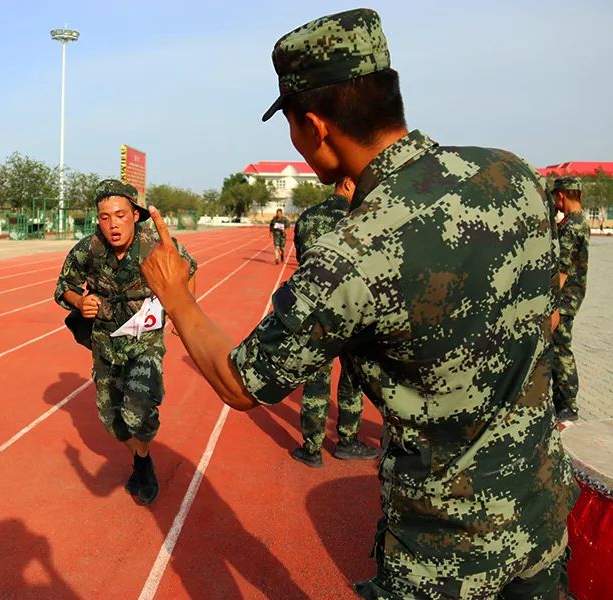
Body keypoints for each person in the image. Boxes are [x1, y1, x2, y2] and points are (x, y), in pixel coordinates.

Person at [140, 8, 577, 598]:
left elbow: (241, 384)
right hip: (543, 514)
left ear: (314, 126)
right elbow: (547, 312)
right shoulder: (510, 172)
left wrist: (177, 296)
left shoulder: (351, 253)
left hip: (443, 554)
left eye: (291, 126)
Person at [54, 179, 197, 505]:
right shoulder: (88, 250)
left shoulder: (155, 245)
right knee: (112, 420)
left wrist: (183, 312)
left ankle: (144, 462)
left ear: (135, 214)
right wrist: (79, 302)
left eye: (120, 215)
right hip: (105, 342)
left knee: (138, 411)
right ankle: (140, 457)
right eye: (104, 217)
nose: (112, 224)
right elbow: (63, 286)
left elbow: (190, 268)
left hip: (145, 340)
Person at [291, 176, 377, 467]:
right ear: (350, 184)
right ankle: (348, 441)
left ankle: (312, 448)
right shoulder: (360, 218)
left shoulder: (307, 218)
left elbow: (302, 262)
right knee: (352, 380)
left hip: (316, 312)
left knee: (316, 379)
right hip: (353, 312)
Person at [551, 176, 589, 422]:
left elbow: (562, 270)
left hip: (564, 299)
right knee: (558, 348)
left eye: (556, 197)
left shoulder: (571, 226)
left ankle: (568, 405)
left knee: (560, 350)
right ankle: (562, 402)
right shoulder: (579, 221)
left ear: (561, 195)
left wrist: (551, 304)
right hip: (572, 296)